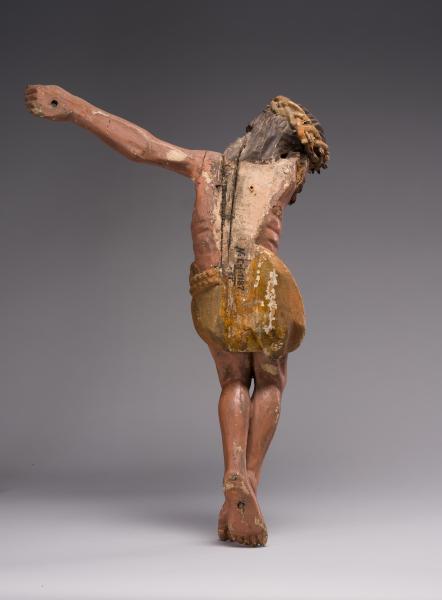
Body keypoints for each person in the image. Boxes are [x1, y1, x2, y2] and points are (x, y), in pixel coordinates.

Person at [25, 85, 328, 546]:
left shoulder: (206, 165)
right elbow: (311, 154)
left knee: (232, 380)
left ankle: (233, 475)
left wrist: (77, 110)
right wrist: (301, 142)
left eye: (259, 124)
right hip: (259, 282)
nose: (249, 128)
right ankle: (247, 484)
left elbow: (143, 147)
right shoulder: (287, 171)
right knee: (269, 381)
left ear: (266, 134)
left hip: (211, 285)